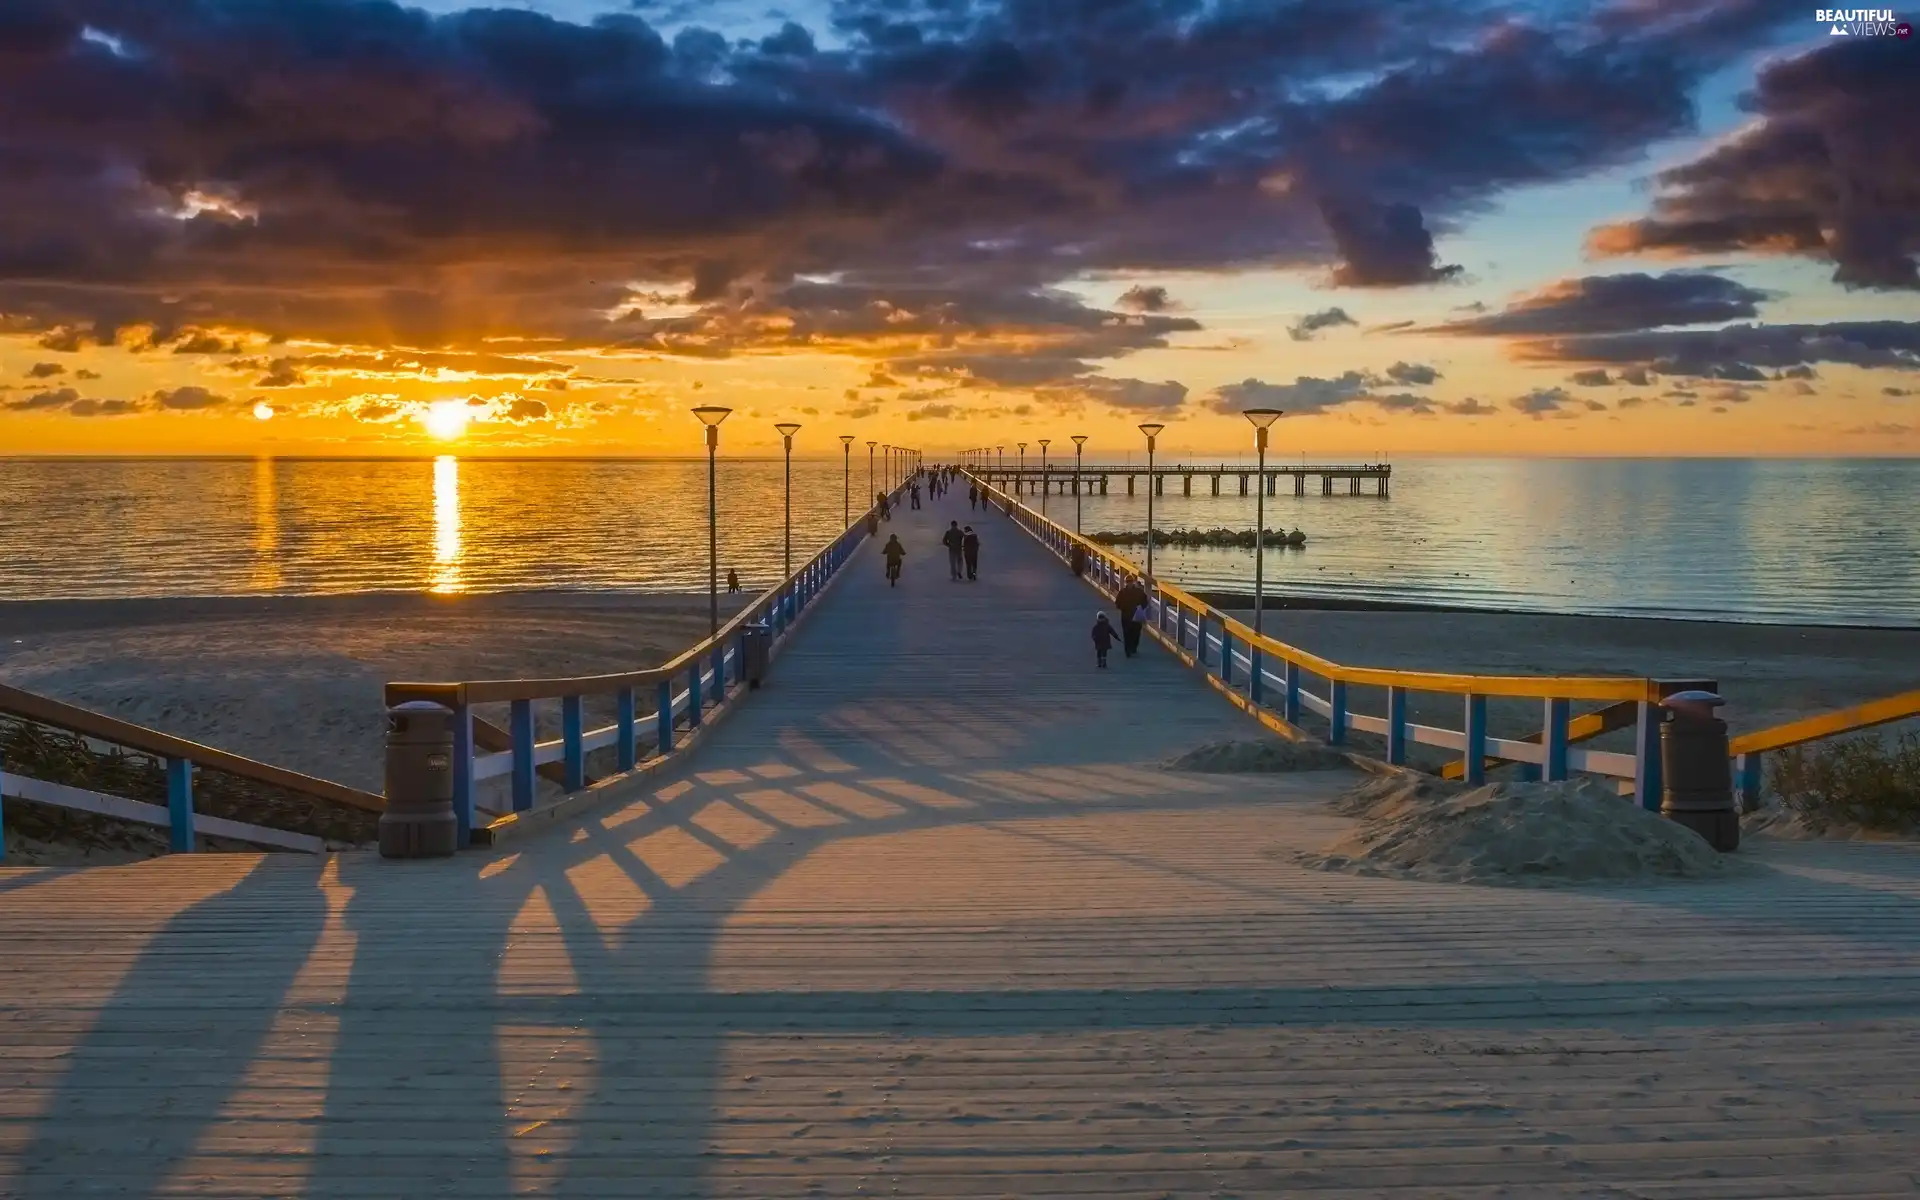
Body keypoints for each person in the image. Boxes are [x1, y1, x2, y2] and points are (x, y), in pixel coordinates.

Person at [1114, 574, 1149, 658]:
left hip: (1134, 616)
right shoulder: (1124, 592)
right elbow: (1117, 603)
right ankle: (1128, 649)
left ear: (1132, 582)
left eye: (1129, 581)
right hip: (1128, 616)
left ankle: (1133, 647)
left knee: (1135, 633)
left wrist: (1141, 608)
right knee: (1128, 633)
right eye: (1127, 582)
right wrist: (1123, 608)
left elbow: (1145, 601)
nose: (1128, 583)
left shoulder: (1136, 592)